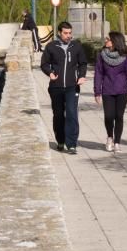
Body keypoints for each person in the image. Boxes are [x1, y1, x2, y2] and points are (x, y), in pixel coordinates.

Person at [40, 20, 87, 154]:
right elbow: (44, 64)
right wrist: (50, 73)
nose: (68, 36)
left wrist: (82, 75)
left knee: (72, 113)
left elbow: (83, 63)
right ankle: (60, 140)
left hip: (72, 86)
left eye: (70, 33)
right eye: (65, 33)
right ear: (60, 33)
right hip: (56, 87)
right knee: (58, 115)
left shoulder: (76, 46)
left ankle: (71, 144)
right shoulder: (51, 47)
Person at [94, 31, 127, 153]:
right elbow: (98, 74)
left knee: (119, 116)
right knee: (109, 116)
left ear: (115, 41)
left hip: (122, 91)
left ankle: (117, 142)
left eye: (108, 39)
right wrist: (97, 92)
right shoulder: (101, 55)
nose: (105, 40)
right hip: (107, 91)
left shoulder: (126, 57)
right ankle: (110, 137)